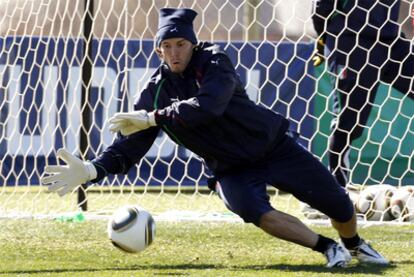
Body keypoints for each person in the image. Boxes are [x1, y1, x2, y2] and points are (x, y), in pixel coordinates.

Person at [42, 8, 388, 268]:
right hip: (229, 169)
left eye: (181, 43)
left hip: (274, 147)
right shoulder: (154, 90)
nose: (175, 52)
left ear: (192, 44)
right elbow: (133, 143)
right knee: (254, 210)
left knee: (340, 205)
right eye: (167, 45)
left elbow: (208, 106)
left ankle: (355, 244)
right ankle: (328, 248)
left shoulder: (215, 61)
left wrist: (152, 117)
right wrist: (92, 171)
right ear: (158, 50)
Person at [312, 0, 414, 187]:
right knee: (350, 121)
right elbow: (321, 9)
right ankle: (333, 190)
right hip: (351, 41)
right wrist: (326, 40)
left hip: (391, 40)